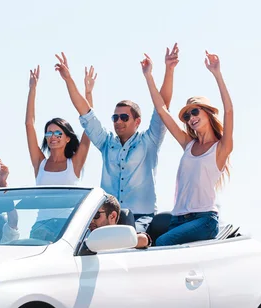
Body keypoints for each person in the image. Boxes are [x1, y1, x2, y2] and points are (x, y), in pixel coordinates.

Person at [54, 46, 179, 233]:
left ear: (137, 121)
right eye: (115, 117)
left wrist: (168, 70)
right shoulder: (106, 143)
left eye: (124, 117)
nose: (118, 121)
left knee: (132, 241)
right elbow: (86, 113)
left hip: (140, 219)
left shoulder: (150, 141)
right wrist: (68, 79)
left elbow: (163, 107)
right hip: (107, 218)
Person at [141, 50, 233, 246]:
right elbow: (162, 111)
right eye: (186, 116)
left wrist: (217, 73)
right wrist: (148, 76)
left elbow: (229, 111)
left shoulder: (221, 148)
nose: (191, 118)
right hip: (179, 218)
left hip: (204, 220)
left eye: (194, 112)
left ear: (207, 113)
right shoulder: (188, 144)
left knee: (163, 242)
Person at [26, 64, 95, 240]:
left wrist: (88, 93)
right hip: (42, 226)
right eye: (49, 133)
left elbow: (90, 125)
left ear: (67, 138)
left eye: (58, 133)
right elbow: (29, 124)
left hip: (69, 226)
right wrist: (32, 88)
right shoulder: (40, 163)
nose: (53, 136)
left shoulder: (75, 162)